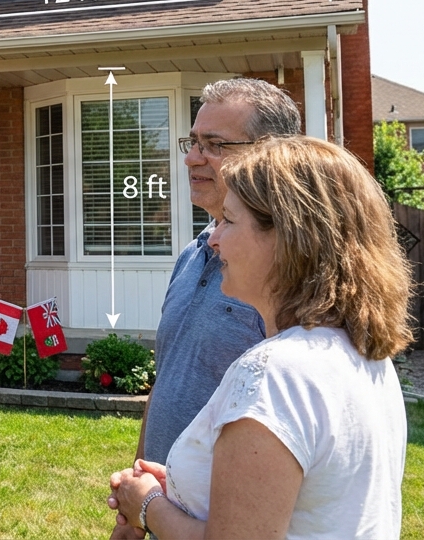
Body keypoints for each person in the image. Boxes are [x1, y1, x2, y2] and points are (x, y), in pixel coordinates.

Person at [108, 135, 413, 538]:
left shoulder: (275, 373)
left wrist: (147, 505)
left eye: (229, 221)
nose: (213, 240)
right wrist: (183, 491)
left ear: (289, 239)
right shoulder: (362, 355)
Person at [111, 79, 302, 539]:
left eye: (214, 145)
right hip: (163, 515)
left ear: (270, 154)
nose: (192, 157)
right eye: (193, 142)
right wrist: (137, 504)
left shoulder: (285, 277)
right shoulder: (191, 255)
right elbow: (167, 378)